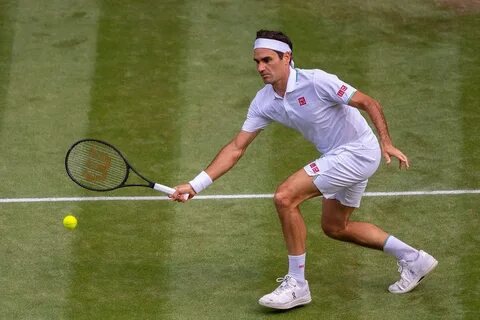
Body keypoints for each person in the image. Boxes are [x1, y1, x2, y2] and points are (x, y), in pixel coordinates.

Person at [171, 30, 438, 310]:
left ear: (286, 57)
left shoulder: (317, 81)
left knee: (285, 196)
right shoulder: (264, 101)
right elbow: (236, 147)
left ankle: (297, 285)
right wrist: (195, 184)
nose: (261, 67)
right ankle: (414, 259)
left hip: (358, 151)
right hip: (338, 155)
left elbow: (368, 102)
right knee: (336, 227)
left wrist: (387, 142)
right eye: (256, 62)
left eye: (267, 60)